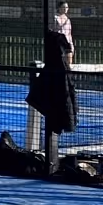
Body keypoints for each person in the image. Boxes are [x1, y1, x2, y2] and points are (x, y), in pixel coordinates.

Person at [26, 22, 78, 171]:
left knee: (53, 125)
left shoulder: (59, 70)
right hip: (55, 107)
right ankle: (50, 163)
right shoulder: (57, 70)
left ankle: (51, 163)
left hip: (56, 107)